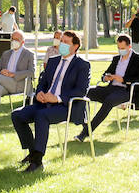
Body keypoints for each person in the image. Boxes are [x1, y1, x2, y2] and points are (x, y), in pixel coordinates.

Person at [12, 30, 90, 172]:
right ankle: (33, 152)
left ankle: (37, 161)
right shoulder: (53, 61)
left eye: (66, 42)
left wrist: (57, 98)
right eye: (61, 41)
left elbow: (81, 90)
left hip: (65, 106)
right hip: (44, 102)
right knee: (17, 115)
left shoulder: (82, 65)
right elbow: (43, 82)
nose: (62, 44)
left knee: (41, 116)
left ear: (75, 47)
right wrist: (39, 93)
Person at [78, 33, 139, 141]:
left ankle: (86, 132)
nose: (120, 50)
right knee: (84, 92)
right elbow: (105, 74)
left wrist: (123, 80)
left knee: (109, 100)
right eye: (119, 48)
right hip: (111, 88)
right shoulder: (116, 59)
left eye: (123, 48)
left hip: (126, 91)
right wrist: (106, 78)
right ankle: (84, 123)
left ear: (130, 46)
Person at [0, 29, 36, 128]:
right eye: (12, 39)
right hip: (6, 83)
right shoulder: (6, 53)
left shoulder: (29, 54)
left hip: (20, 84)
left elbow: (31, 72)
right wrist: (2, 72)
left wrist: (13, 74)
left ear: (23, 42)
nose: (14, 41)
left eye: (17, 39)